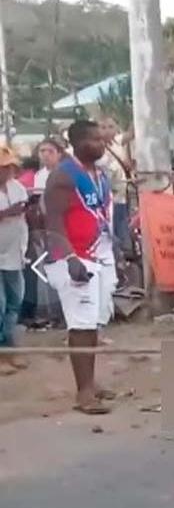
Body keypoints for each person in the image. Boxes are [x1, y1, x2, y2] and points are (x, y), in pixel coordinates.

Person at [44, 120, 117, 414]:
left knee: (95, 322)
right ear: (77, 142)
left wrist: (116, 252)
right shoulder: (63, 175)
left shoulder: (99, 174)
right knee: (81, 325)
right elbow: (53, 222)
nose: (102, 144)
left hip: (99, 254)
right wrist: (70, 257)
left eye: (103, 139)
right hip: (74, 258)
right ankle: (83, 393)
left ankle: (91, 381)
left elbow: (101, 214)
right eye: (95, 140)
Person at [0, 147, 28, 374]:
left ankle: (9, 349)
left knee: (14, 302)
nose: (7, 171)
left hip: (15, 253)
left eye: (9, 167)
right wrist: (8, 212)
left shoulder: (18, 188)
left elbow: (26, 218)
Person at [96, 116, 133, 260]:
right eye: (103, 127)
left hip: (121, 196)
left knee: (122, 232)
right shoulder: (95, 148)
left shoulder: (117, 143)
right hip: (105, 200)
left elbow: (131, 134)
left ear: (116, 129)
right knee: (110, 236)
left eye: (110, 127)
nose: (106, 131)